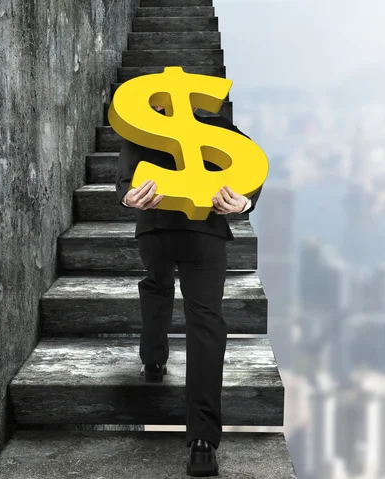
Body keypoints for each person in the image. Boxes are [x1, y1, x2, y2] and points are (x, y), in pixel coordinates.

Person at [116, 104, 263, 477]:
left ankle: (153, 360)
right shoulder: (220, 129)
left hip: (166, 232)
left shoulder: (145, 128)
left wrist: (128, 198)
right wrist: (244, 202)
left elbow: (123, 181)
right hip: (200, 235)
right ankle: (202, 441)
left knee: (158, 290)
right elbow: (252, 171)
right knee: (205, 322)